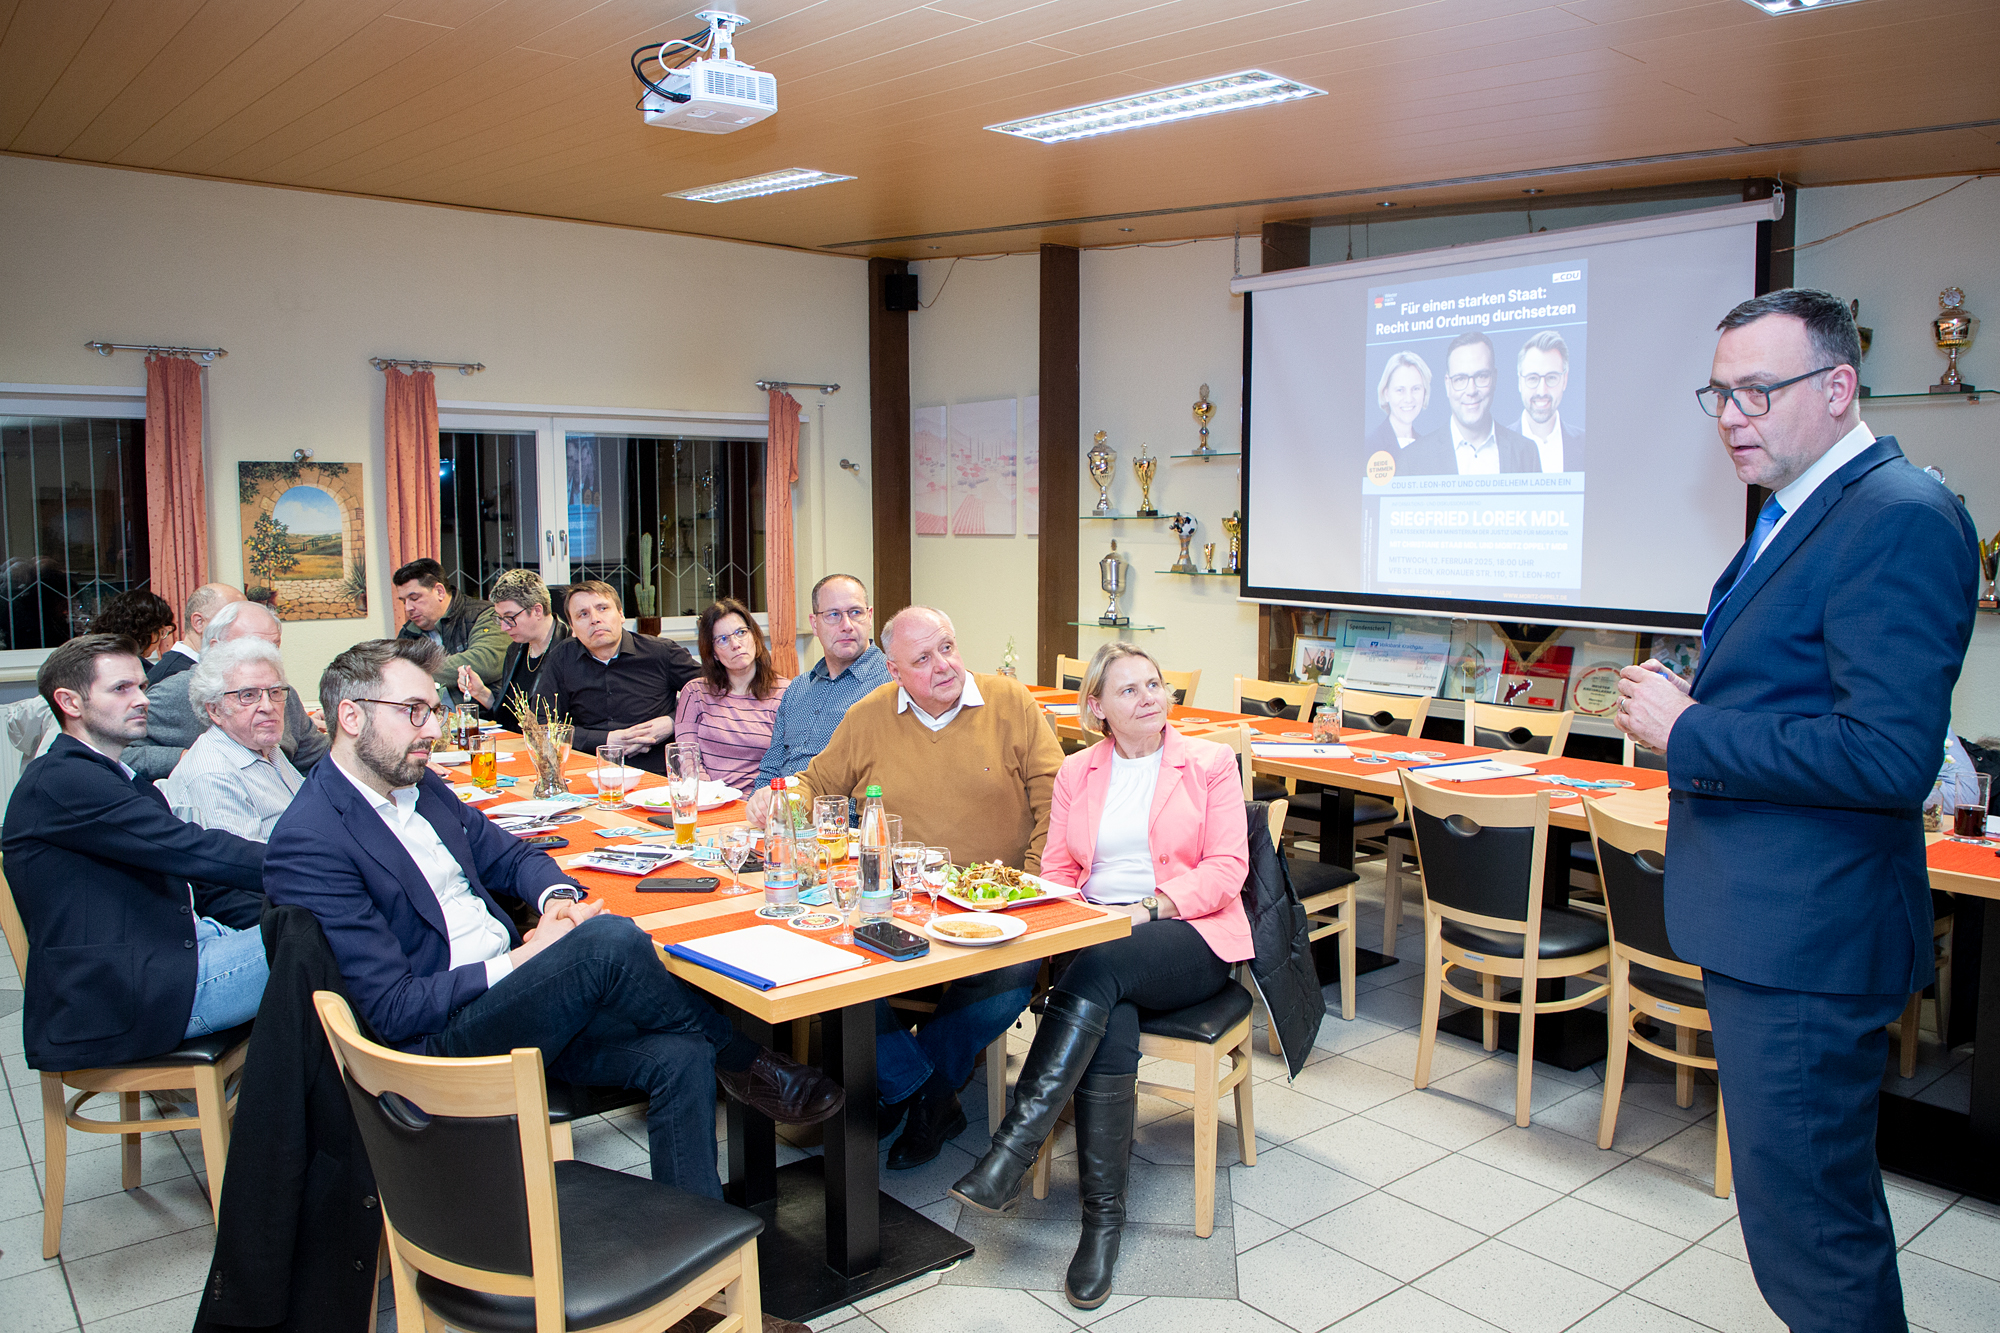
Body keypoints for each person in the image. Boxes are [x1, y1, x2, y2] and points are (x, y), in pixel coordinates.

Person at [1614, 289, 1978, 1333]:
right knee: (1795, 1226)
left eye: (1756, 390)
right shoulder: (1800, 508)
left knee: (1813, 1243)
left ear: (1836, 387)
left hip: (1810, 942)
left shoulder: (1895, 514)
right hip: (1771, 928)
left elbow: (1885, 756)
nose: (1731, 414)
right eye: (1718, 393)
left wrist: (1687, 730)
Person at [263, 638, 845, 1198]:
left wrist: (555, 902)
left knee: (682, 1052)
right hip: (442, 1041)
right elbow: (394, 1009)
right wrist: (525, 958)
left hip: (513, 1001)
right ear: (351, 717)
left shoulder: (419, 787)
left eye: (434, 711)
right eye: (414, 713)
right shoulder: (313, 839)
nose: (433, 731)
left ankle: (699, 1255)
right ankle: (750, 1063)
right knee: (607, 941)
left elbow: (513, 854)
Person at [949, 642, 1251, 1308]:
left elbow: (1228, 868)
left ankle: (1015, 1148)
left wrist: (1146, 908)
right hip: (1099, 936)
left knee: (1103, 963)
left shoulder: (1209, 763)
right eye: (1129, 689)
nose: (1149, 696)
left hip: (1189, 933)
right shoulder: (1079, 770)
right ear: (1097, 708)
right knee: (1106, 997)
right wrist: (1069, 913)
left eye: (1155, 683)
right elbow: (1057, 869)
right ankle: (1101, 1221)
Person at [745, 605, 1062, 1170]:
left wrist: (1032, 882)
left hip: (999, 899)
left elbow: (1056, 800)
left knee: (1008, 980)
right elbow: (818, 784)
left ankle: (919, 1094)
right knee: (834, 972)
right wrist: (779, 798)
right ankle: (921, 1089)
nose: (944, 665)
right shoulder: (869, 715)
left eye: (947, 646)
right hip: (899, 899)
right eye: (922, 658)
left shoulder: (1009, 703)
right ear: (893, 670)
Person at [3, 634, 268, 1071]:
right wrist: (306, 868)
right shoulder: (63, 781)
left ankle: (295, 1113)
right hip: (125, 995)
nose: (142, 699)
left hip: (172, 959)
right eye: (121, 689)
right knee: (325, 940)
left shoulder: (119, 778)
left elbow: (200, 879)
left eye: (142, 687)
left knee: (320, 926)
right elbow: (189, 848)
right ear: (70, 702)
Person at [126, 601, 329, 777]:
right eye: (253, 646)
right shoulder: (176, 692)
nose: (267, 657)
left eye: (273, 647)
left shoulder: (282, 694)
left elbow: (317, 756)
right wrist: (185, 757)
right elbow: (120, 755)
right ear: (216, 648)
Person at [532, 580, 700, 776]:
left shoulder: (661, 653)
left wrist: (673, 722)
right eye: (583, 614)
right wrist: (605, 740)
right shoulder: (562, 658)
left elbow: (712, 692)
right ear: (572, 626)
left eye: (602, 608)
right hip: (587, 771)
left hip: (657, 773)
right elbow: (542, 724)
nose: (595, 619)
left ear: (621, 614)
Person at [160, 637, 303, 841]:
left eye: (275, 692)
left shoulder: (265, 747)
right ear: (215, 710)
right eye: (248, 695)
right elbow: (244, 864)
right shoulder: (213, 773)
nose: (268, 706)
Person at [755, 573, 891, 783]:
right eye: (834, 615)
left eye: (856, 612)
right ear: (815, 623)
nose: (847, 625)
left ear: (870, 616)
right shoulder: (798, 688)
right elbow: (770, 768)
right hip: (782, 809)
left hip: (839, 812)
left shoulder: (892, 683)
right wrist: (761, 803)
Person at [673, 597, 790, 791]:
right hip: (709, 800)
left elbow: (791, 763)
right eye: (723, 639)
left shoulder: (786, 693)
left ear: (755, 637)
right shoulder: (695, 693)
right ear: (714, 653)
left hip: (763, 803)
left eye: (741, 633)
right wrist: (713, 796)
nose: (735, 644)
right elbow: (687, 760)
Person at [1400, 331, 1541, 475]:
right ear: (1447, 385)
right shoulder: (1412, 460)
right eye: (1460, 379)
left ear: (1495, 379)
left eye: (1481, 376)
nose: (1471, 390)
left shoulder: (1526, 452)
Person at [455, 568, 570, 732]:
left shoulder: (570, 649)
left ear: (537, 610)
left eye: (510, 618)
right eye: (500, 619)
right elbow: (509, 717)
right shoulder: (515, 649)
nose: (503, 627)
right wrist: (480, 692)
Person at [392, 558, 510, 698]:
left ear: (439, 591)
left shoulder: (484, 614)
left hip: (482, 715)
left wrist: (415, 671)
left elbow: (486, 662)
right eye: (403, 601)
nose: (408, 608)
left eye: (415, 598)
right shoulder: (409, 632)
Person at [148, 583, 246, 686]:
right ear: (199, 623)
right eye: (233, 620)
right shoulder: (172, 677)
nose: (244, 629)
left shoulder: (204, 667)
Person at [1517, 329, 1586, 474]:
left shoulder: (1588, 445)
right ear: (1520, 382)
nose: (1542, 391)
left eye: (1552, 378)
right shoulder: (1496, 445)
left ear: (1564, 380)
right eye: (1533, 378)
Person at [1365, 351, 1431, 464]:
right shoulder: (1370, 446)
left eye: (1415, 389)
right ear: (1386, 394)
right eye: (1400, 390)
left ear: (1424, 392)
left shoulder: (1428, 448)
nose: (1409, 399)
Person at [85, 589, 177, 666]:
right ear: (146, 630)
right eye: (162, 632)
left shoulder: (89, 656)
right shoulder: (143, 672)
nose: (161, 639)